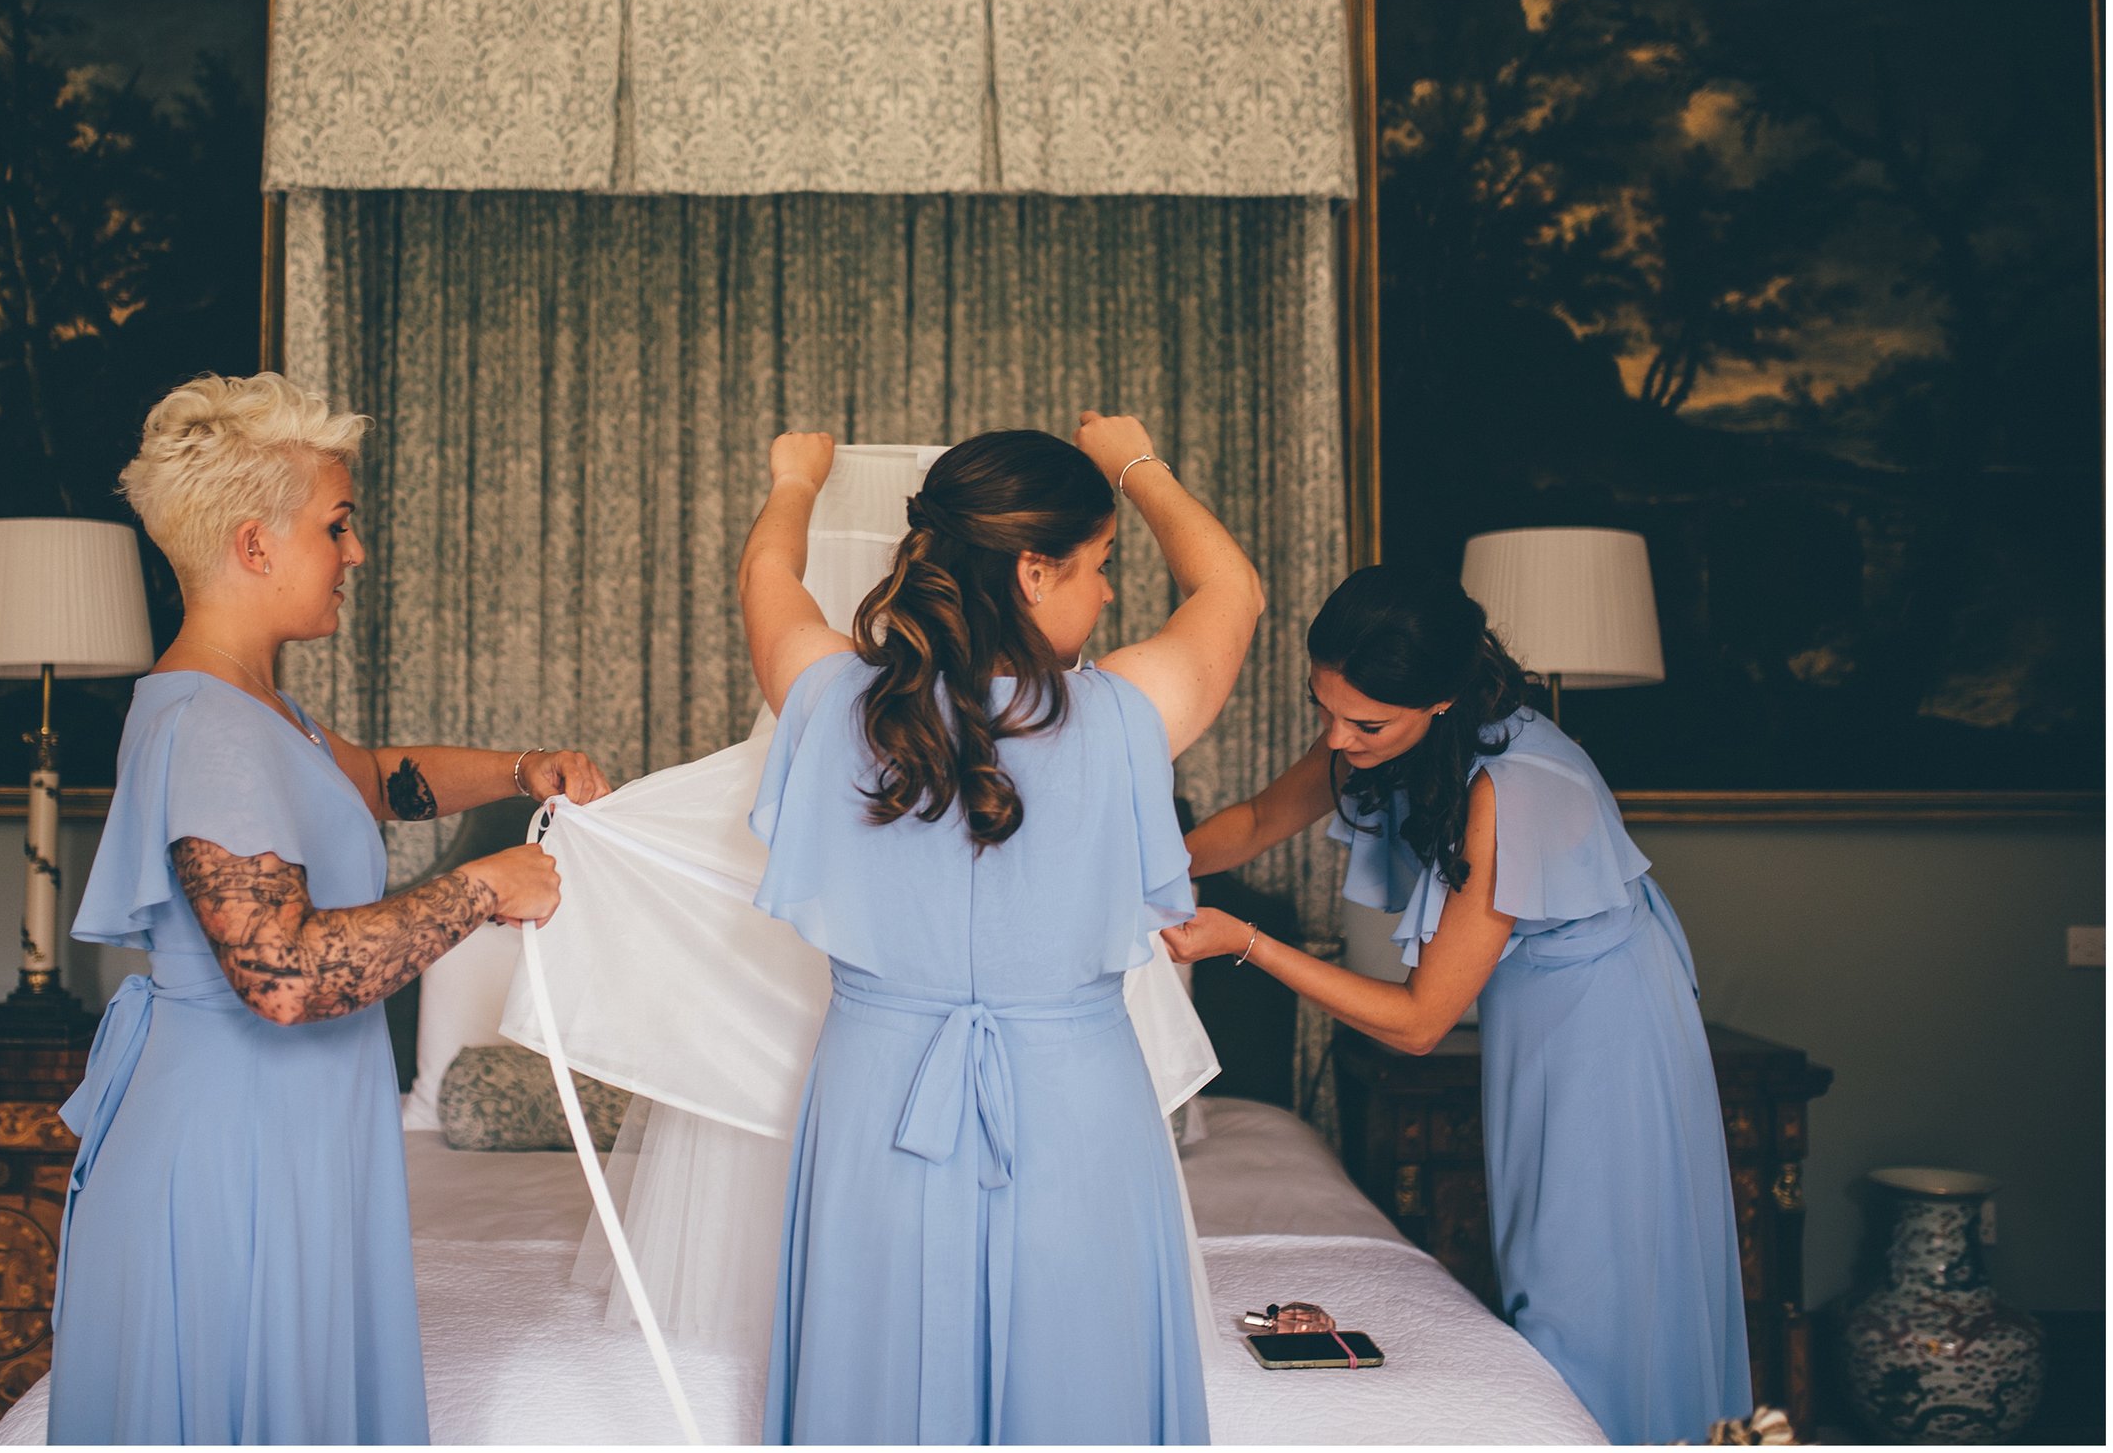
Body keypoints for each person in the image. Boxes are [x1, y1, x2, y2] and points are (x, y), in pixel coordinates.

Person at [46, 371, 612, 1444]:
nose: (355, 553)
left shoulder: (258, 710)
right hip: (232, 1149)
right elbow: (284, 976)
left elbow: (375, 777)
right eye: (337, 526)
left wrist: (520, 768)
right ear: (254, 545)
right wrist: (482, 887)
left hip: (278, 1130)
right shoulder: (212, 726)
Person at [738, 415, 1263, 1444]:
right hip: (1074, 1105)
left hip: (875, 1099)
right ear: (1033, 570)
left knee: (874, 1371)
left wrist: (795, 480)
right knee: (1082, 1378)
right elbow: (1231, 592)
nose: (1108, 591)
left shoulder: (829, 701)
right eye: (1099, 563)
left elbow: (766, 574)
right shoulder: (1127, 716)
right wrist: (1133, 462)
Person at [1164, 563, 1750, 1445]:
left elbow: (1419, 1023)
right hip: (1537, 1022)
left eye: (1363, 723)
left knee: (1590, 1290)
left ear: (1439, 700)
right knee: (1542, 1268)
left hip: (1607, 1035)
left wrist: (1247, 940)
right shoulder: (1392, 731)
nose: (1339, 739)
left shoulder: (1517, 790)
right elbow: (1250, 822)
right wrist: (1138, 867)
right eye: (1325, 709)